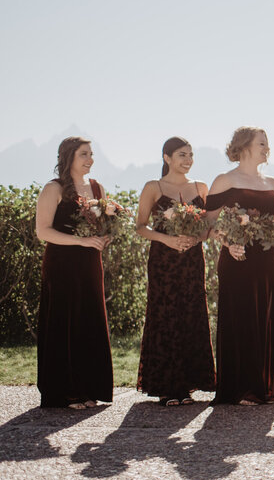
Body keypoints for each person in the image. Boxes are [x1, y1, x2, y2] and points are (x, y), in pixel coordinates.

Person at [206, 126, 274, 406]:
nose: (267, 148)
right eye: (262, 143)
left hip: (268, 261)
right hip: (237, 259)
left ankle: (265, 386)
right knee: (240, 318)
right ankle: (240, 388)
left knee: (265, 318)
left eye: (267, 143)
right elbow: (208, 225)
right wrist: (227, 242)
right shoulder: (224, 181)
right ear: (244, 147)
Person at [133, 136, 216, 406]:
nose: (188, 160)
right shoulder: (153, 187)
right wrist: (168, 240)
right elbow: (140, 227)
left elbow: (207, 228)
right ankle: (168, 386)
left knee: (192, 311)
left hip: (192, 259)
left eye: (191, 155)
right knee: (166, 313)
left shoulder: (201, 187)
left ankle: (190, 383)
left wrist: (196, 239)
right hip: (163, 261)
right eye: (182, 154)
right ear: (167, 158)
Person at [34, 136, 114, 409]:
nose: (90, 159)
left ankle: (89, 387)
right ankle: (64, 391)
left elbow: (104, 226)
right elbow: (42, 231)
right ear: (68, 157)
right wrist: (80, 241)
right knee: (64, 322)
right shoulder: (53, 188)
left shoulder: (97, 188)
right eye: (84, 154)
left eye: (91, 153)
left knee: (89, 319)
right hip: (62, 263)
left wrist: (106, 236)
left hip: (91, 263)